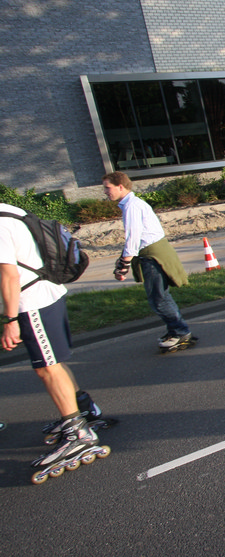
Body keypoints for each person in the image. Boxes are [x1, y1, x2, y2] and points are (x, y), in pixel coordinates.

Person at [0, 203, 110, 482]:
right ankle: (81, 409)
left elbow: (9, 274)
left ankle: (78, 434)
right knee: (54, 364)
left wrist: (10, 320)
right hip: (48, 291)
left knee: (47, 368)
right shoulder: (10, 211)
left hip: (31, 302)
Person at [102, 172, 194, 351]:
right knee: (161, 296)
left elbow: (133, 237)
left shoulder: (132, 206)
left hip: (153, 256)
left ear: (120, 186)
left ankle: (181, 332)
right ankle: (176, 330)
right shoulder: (131, 204)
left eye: (107, 187)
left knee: (158, 299)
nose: (105, 192)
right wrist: (123, 260)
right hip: (151, 253)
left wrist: (124, 265)